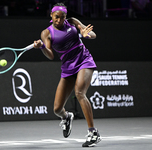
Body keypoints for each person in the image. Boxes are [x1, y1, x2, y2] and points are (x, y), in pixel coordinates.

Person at [33, 3, 101, 147]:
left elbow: (92, 34)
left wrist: (85, 34)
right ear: (51, 16)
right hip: (68, 67)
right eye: (57, 17)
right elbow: (50, 55)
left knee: (80, 93)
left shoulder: (72, 22)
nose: (59, 20)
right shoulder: (46, 33)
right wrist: (42, 48)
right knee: (57, 109)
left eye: (62, 17)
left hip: (84, 60)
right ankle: (66, 116)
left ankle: (93, 133)